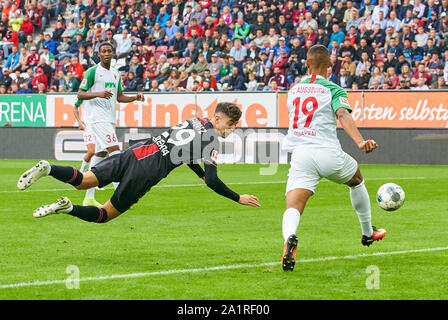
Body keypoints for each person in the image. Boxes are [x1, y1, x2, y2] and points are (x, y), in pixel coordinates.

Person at [17, 103, 260, 223]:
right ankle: (67, 208)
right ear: (217, 119)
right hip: (148, 170)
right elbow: (214, 181)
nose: (233, 128)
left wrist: (198, 173)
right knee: (105, 214)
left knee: (83, 181)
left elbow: (183, 152)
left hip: (139, 150)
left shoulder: (195, 120)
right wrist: (237, 197)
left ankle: (48, 168)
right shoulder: (211, 140)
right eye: (230, 123)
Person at [280, 44, 386, 272]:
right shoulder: (333, 89)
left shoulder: (293, 91)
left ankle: (289, 237)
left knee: (294, 204)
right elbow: (341, 114)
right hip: (327, 151)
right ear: (330, 65)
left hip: (301, 154)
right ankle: (368, 233)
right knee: (356, 178)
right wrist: (359, 141)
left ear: (307, 64)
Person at [74, 41, 145, 206]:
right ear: (99, 54)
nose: (106, 54)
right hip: (97, 119)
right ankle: (121, 193)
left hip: (109, 118)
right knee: (115, 152)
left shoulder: (115, 73)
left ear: (113, 53)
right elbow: (80, 94)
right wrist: (99, 93)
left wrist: (135, 97)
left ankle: (89, 197)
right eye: (103, 51)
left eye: (109, 51)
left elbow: (119, 97)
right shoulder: (92, 72)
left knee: (100, 154)